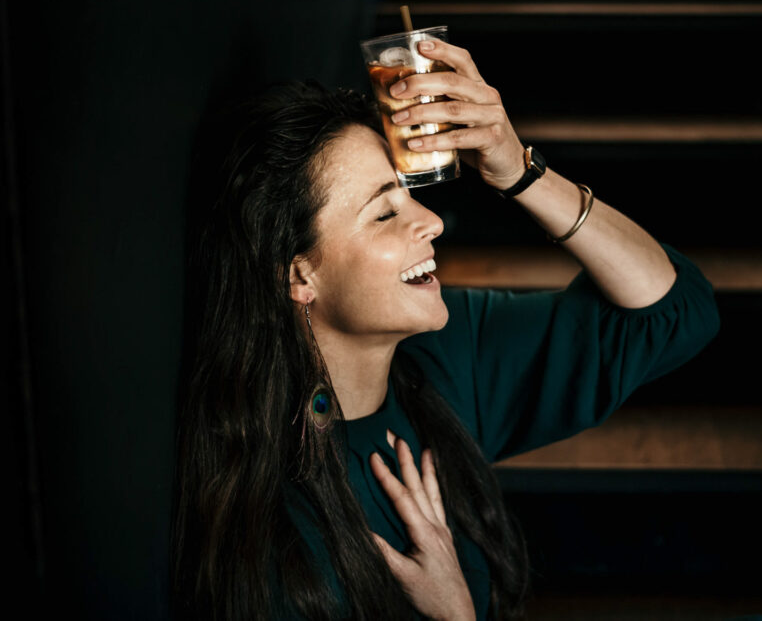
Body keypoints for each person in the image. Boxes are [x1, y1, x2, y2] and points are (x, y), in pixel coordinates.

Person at [171, 39, 721, 620]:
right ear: (299, 274)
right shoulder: (271, 522)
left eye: (409, 197)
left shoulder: (447, 352)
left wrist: (519, 172)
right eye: (385, 213)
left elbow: (676, 311)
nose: (431, 221)